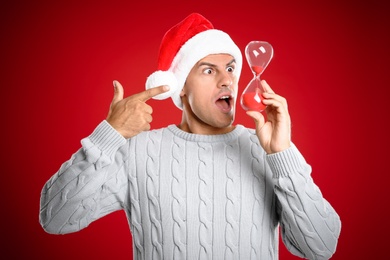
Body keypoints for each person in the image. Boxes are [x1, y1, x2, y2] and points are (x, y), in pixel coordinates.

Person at [39, 13, 341, 260]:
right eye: (209, 71)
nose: (227, 80)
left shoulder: (267, 152)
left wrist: (282, 154)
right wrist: (110, 134)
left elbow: (321, 247)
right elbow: (55, 218)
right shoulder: (138, 152)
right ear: (181, 85)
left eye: (231, 68)